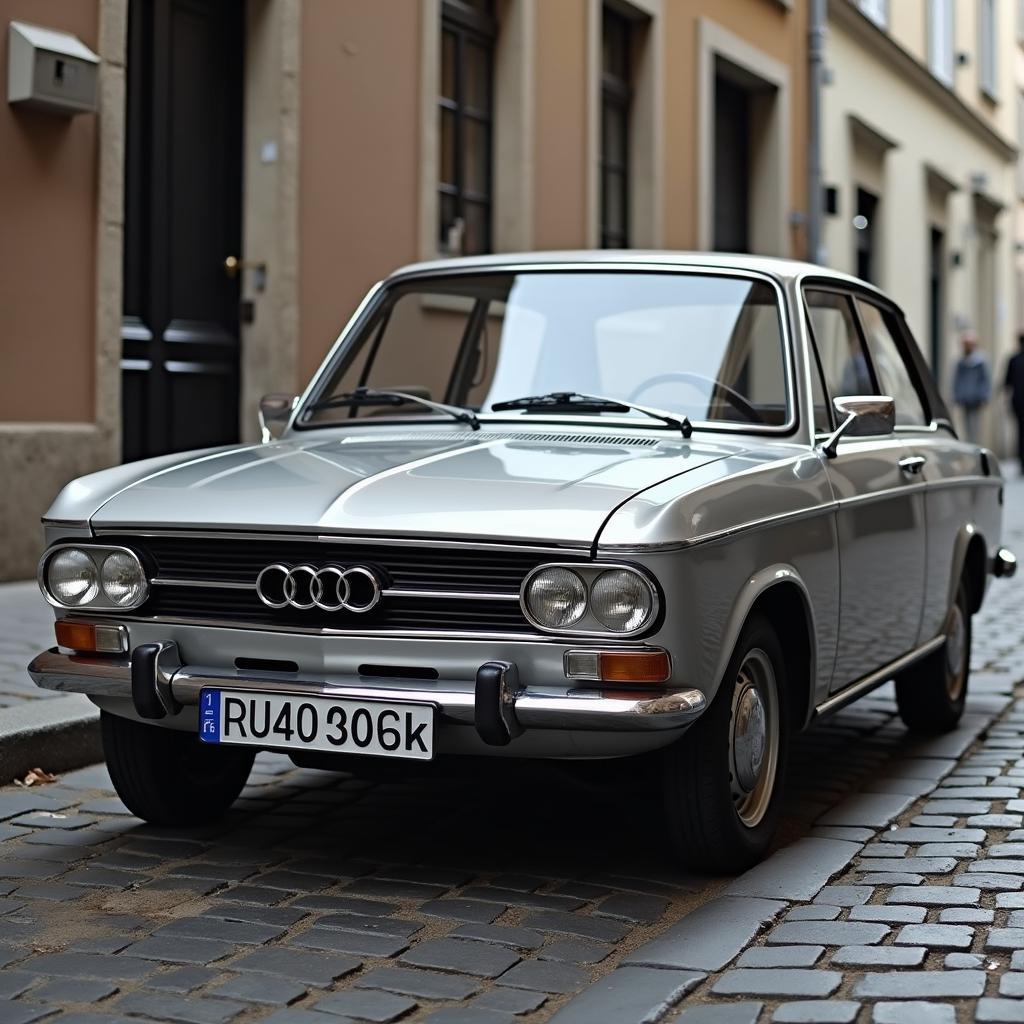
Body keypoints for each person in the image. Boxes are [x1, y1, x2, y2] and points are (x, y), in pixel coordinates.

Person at [951, 331, 992, 444]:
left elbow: (985, 380)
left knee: (975, 425)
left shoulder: (980, 362)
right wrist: (956, 395)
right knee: (966, 426)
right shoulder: (960, 362)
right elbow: (956, 381)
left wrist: (984, 395)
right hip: (965, 398)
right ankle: (969, 444)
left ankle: (975, 445)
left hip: (976, 399)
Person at [1005, 333, 1024, 471]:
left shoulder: (1013, 359)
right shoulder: (1013, 359)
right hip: (1018, 401)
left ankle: (1021, 461)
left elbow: (1007, 382)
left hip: (1018, 401)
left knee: (1020, 432)